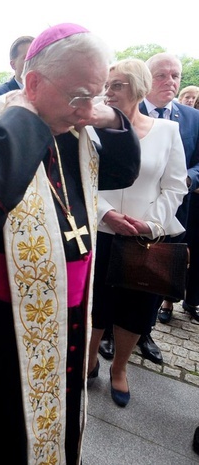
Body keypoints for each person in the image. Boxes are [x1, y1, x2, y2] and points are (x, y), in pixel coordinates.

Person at [0, 23, 140, 464]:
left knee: (64, 416)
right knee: (5, 433)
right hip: (6, 322)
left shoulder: (79, 131)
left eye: (95, 94)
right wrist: (22, 118)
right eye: (79, 96)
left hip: (74, 313)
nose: (85, 109)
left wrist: (110, 118)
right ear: (32, 83)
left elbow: (122, 173)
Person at [86, 58, 186, 409]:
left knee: (135, 309)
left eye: (118, 85)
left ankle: (120, 369)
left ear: (139, 88)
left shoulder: (166, 132)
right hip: (101, 230)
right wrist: (107, 214)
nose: (108, 92)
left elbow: (175, 187)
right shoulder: (91, 128)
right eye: (107, 84)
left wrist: (151, 225)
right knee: (96, 304)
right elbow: (82, 180)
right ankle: (90, 361)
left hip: (145, 237)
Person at [133, 53, 199, 363]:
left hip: (172, 213)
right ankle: (107, 333)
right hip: (130, 211)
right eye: (161, 75)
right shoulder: (127, 112)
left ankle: (143, 332)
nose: (169, 81)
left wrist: (189, 177)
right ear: (146, 79)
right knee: (120, 271)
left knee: (155, 277)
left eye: (175, 75)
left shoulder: (191, 118)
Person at [0, 35, 34, 99]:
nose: (33, 61)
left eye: (36, 57)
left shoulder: (46, 92)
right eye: (26, 58)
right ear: (13, 65)